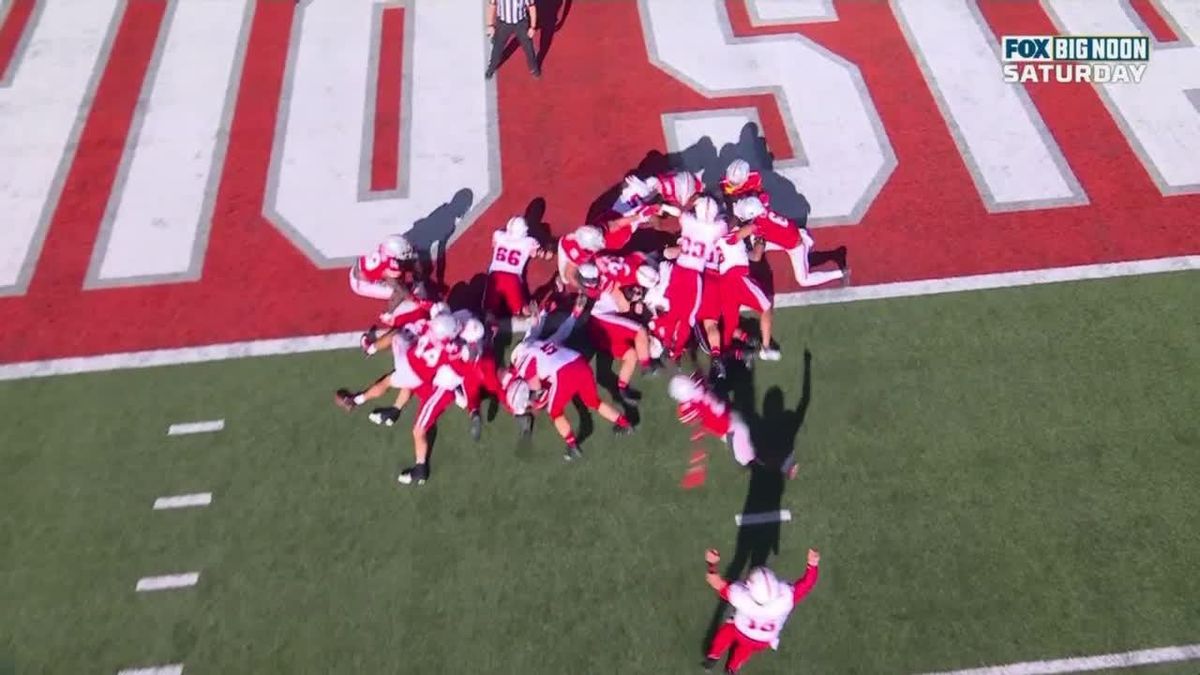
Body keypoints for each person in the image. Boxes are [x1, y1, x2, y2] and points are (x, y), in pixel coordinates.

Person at [702, 547, 821, 674]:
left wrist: (711, 564)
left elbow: (715, 581)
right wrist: (812, 564)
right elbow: (807, 583)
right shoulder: (786, 598)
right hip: (763, 640)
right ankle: (732, 667)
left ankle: (713, 655)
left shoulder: (741, 597)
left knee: (728, 630)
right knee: (747, 649)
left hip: (741, 629)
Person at [485, 0, 540, 80]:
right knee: (497, 49)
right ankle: (491, 68)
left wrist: (532, 27)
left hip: (521, 24)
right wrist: (490, 25)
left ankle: (534, 69)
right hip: (503, 24)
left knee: (529, 48)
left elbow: (532, 7)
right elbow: (492, 5)